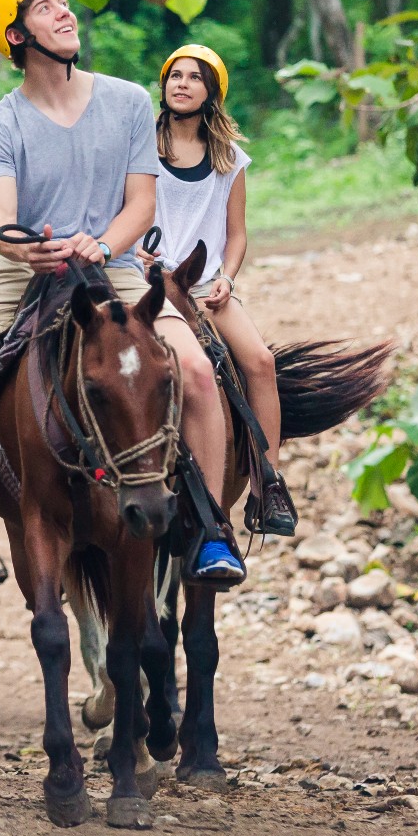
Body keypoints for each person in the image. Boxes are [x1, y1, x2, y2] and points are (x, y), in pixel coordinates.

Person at [0, 0, 247, 608]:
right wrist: (27, 247)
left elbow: (142, 205)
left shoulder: (125, 102)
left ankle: (210, 528)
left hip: (115, 267)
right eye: (45, 8)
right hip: (24, 274)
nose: (64, 13)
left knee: (200, 374)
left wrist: (103, 242)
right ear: (16, 35)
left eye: (63, 2)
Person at [150, 44, 298, 536]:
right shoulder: (140, 145)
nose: (182, 84)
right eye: (175, 75)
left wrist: (227, 280)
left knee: (260, 361)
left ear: (211, 91)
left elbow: (236, 235)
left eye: (194, 77)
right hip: (146, 280)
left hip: (206, 284)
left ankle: (267, 485)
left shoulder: (229, 159)